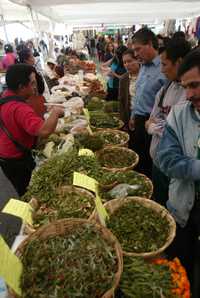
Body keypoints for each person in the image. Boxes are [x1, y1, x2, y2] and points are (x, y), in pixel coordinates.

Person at [157, 49, 200, 298]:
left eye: (195, 85)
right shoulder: (179, 114)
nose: (189, 94)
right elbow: (167, 159)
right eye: (186, 87)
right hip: (183, 208)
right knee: (180, 268)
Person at [0, 64, 64, 196]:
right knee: (28, 191)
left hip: (6, 155)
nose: (35, 87)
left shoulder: (6, 95)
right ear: (21, 87)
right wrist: (56, 112)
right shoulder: (20, 108)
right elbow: (44, 131)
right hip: (16, 158)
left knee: (22, 187)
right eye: (32, 83)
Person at [146, 38, 191, 206]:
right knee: (159, 203)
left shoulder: (190, 96)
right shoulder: (167, 88)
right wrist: (152, 126)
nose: (162, 70)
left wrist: (162, 128)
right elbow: (150, 120)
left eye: (164, 64)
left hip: (178, 171)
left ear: (179, 62)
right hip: (158, 163)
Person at [129, 28, 166, 178]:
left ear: (150, 44)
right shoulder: (143, 66)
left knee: (150, 162)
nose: (136, 54)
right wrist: (133, 115)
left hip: (152, 123)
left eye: (138, 49)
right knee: (137, 158)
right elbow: (139, 94)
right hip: (138, 120)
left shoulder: (163, 68)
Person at [18, 48, 47, 117]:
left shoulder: (30, 69)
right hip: (35, 103)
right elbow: (35, 90)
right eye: (31, 56)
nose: (34, 58)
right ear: (26, 60)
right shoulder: (28, 72)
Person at [118, 49, 140, 131]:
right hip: (129, 115)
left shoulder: (145, 76)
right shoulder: (123, 79)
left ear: (137, 60)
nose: (127, 65)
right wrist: (123, 122)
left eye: (130, 61)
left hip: (143, 116)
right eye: (125, 62)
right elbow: (121, 101)